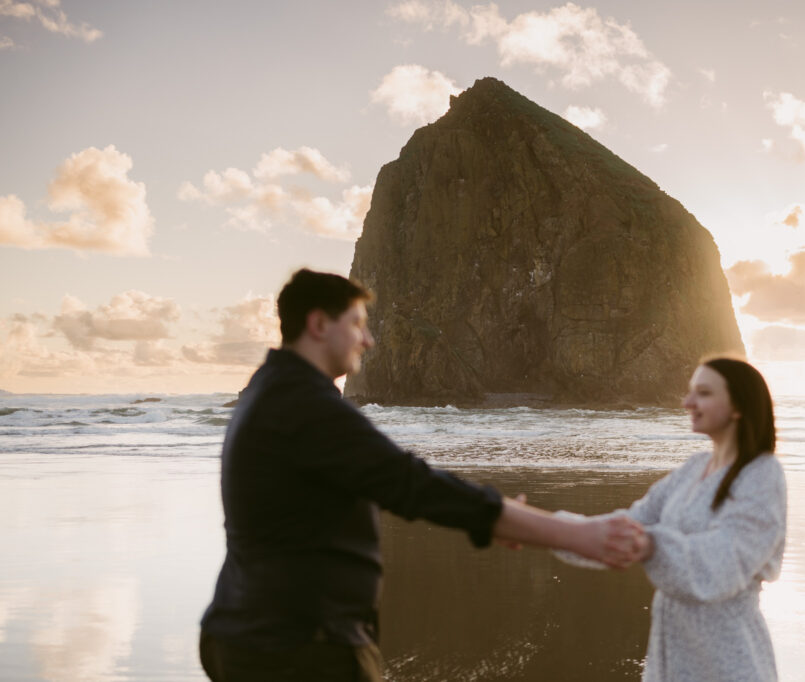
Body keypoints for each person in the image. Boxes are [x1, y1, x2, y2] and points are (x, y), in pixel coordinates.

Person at [198, 268, 644, 682]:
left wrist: (503, 517)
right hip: (299, 645)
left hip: (251, 628)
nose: (368, 340)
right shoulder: (307, 407)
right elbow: (412, 485)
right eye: (356, 324)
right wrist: (575, 534)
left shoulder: (269, 388)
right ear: (318, 325)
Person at [561, 356, 786, 681]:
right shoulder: (693, 469)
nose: (687, 402)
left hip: (733, 667)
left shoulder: (763, 475)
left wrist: (650, 544)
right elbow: (625, 523)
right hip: (671, 664)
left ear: (739, 405)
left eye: (704, 393)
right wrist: (538, 526)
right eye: (690, 391)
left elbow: (717, 567)